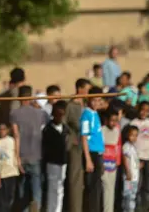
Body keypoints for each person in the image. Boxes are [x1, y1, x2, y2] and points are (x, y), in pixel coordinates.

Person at [10, 85, 47, 212]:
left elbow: (16, 135)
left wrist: (17, 158)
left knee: (22, 191)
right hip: (36, 155)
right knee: (36, 189)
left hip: (21, 155)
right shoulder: (40, 113)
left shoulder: (14, 114)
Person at [64, 78, 91, 212]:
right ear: (80, 88)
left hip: (89, 145)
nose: (88, 92)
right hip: (76, 146)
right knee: (75, 180)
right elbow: (65, 124)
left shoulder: (87, 104)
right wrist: (71, 137)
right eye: (87, 89)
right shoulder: (71, 105)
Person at [80, 86, 105, 212]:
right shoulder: (86, 115)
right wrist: (88, 159)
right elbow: (84, 137)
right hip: (91, 153)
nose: (97, 103)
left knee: (98, 186)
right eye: (94, 100)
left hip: (99, 153)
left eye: (99, 100)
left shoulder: (96, 113)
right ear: (89, 99)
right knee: (92, 187)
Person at [42, 100, 68, 212]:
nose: (60, 116)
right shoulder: (48, 129)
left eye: (62, 114)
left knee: (60, 189)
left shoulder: (66, 129)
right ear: (53, 114)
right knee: (53, 189)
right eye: (58, 114)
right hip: (52, 163)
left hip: (63, 163)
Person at [130, 101, 149, 210]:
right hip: (137, 157)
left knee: (147, 184)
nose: (144, 112)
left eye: (147, 110)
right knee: (138, 184)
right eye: (142, 109)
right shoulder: (134, 122)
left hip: (147, 157)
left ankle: (146, 207)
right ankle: (137, 207)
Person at [101, 109, 121, 212]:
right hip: (103, 163)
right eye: (112, 120)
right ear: (106, 120)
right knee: (106, 187)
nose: (114, 123)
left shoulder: (117, 130)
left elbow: (117, 146)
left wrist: (118, 161)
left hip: (113, 164)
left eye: (116, 120)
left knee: (111, 189)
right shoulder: (102, 130)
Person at [0, 123, 19, 212]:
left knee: (11, 195)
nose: (2, 131)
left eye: (4, 129)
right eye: (0, 129)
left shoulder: (11, 140)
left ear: (7, 130)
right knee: (3, 198)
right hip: (1, 173)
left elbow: (16, 153)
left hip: (12, 171)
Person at [122, 126, 140, 212]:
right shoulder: (126, 146)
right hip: (129, 177)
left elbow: (134, 160)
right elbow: (125, 158)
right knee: (127, 195)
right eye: (132, 135)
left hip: (135, 177)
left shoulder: (134, 147)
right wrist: (128, 171)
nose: (134, 137)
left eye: (136, 135)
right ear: (127, 135)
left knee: (133, 195)